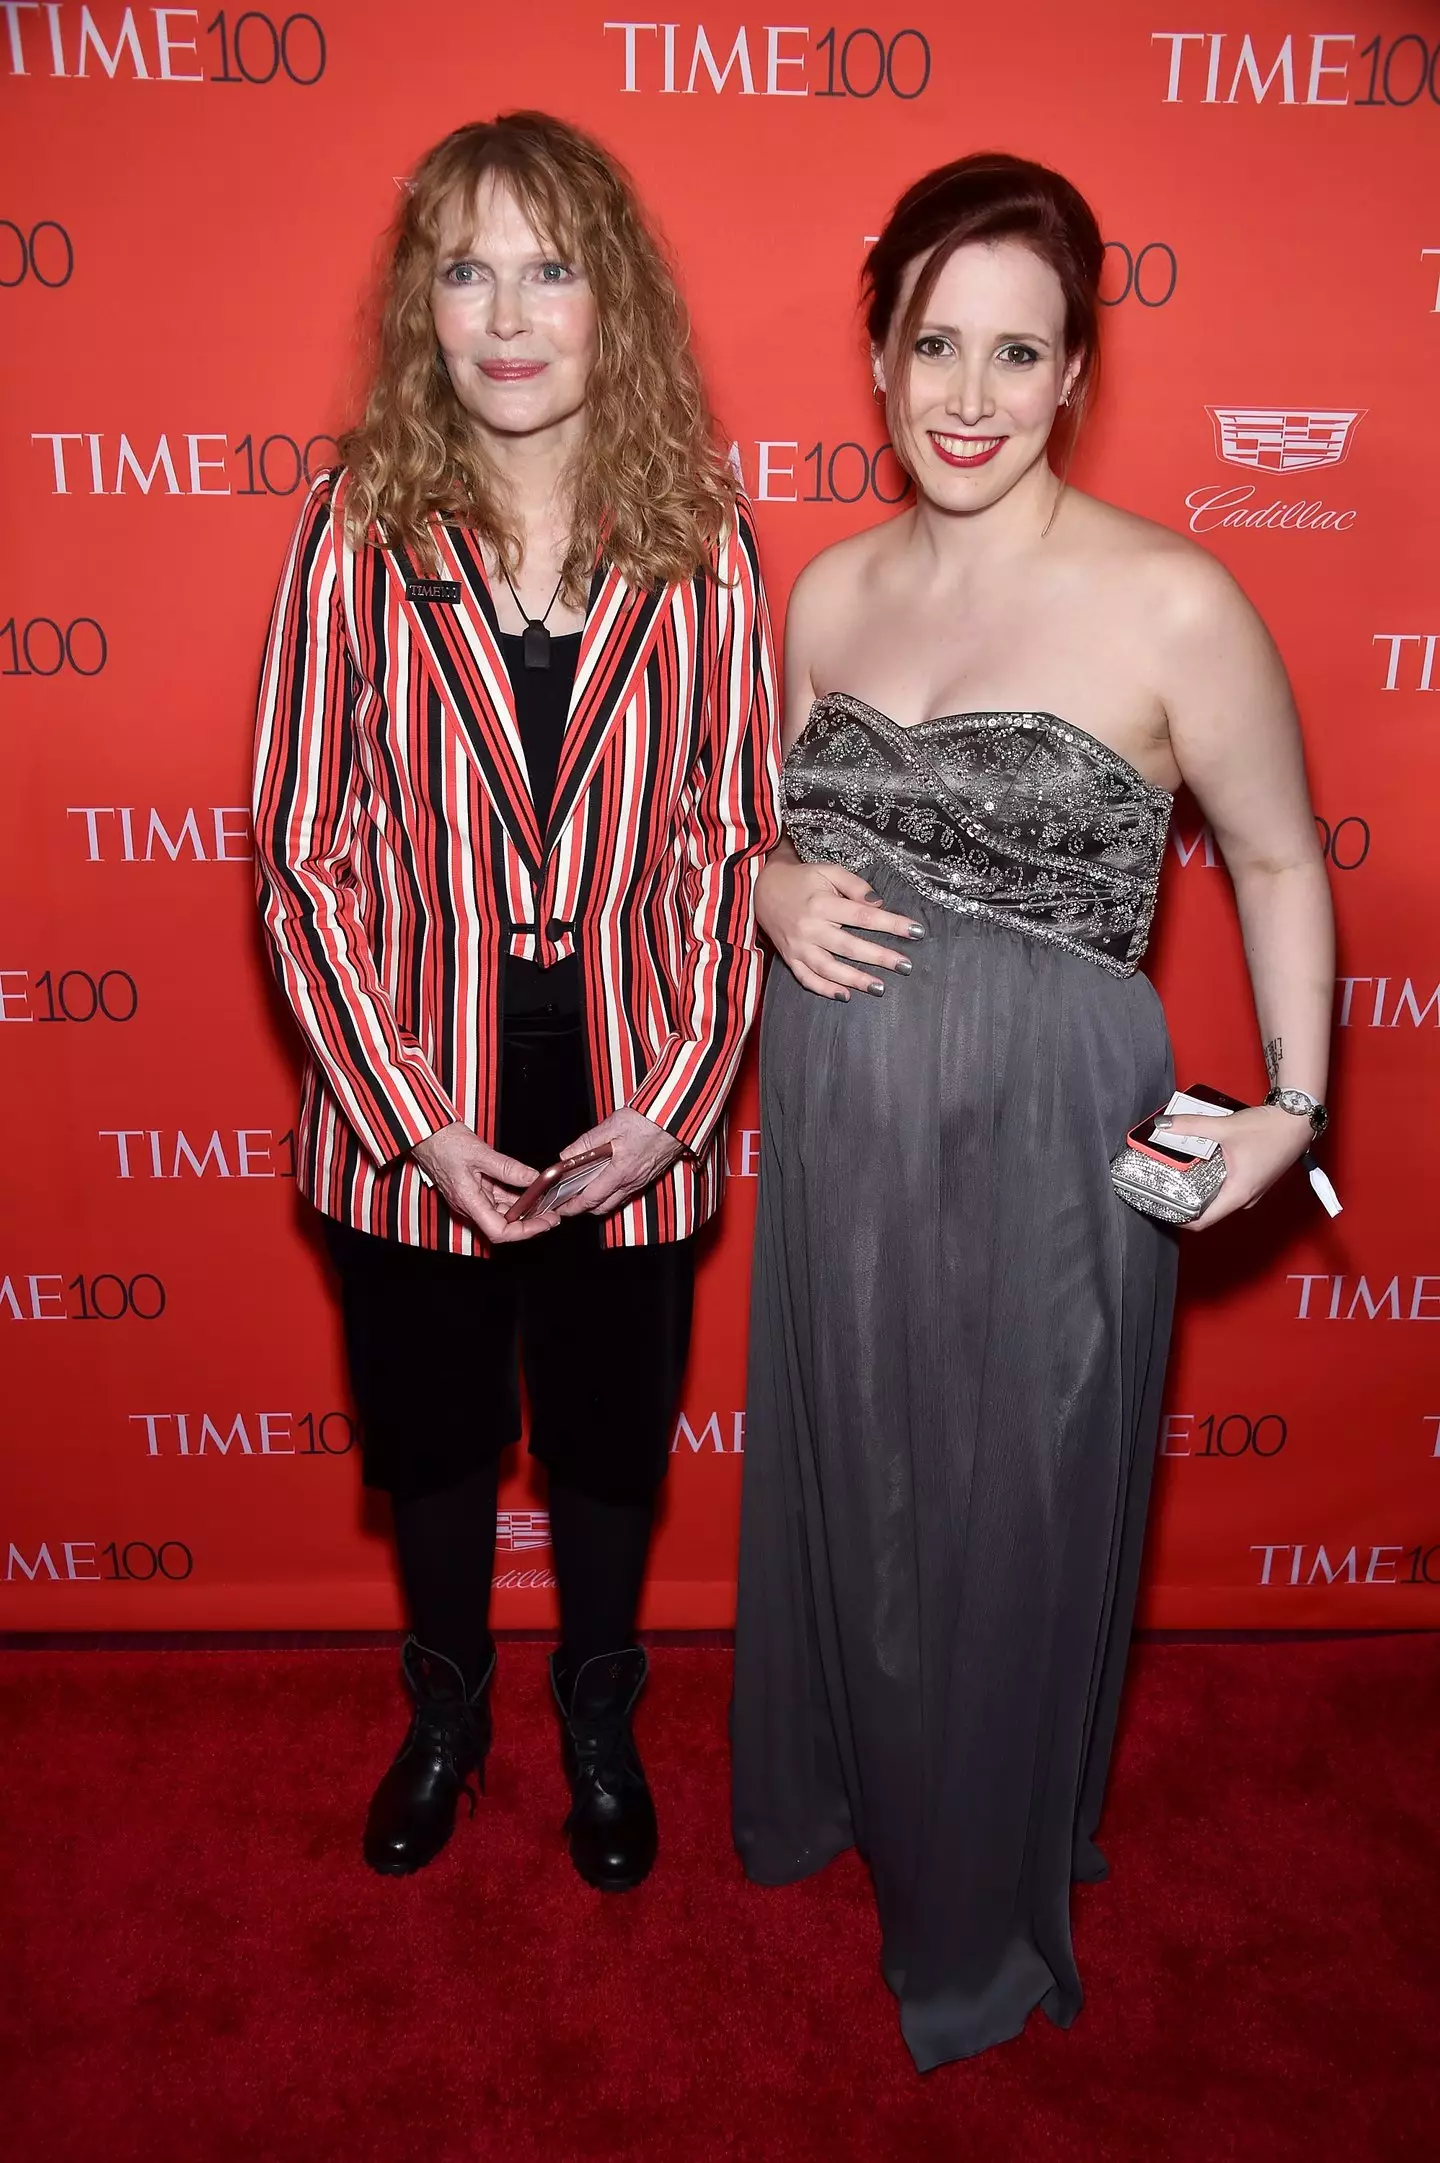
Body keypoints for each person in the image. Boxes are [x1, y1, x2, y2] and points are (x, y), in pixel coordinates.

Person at [730, 153, 1334, 2068]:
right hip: (840, 1137)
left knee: (1019, 1504)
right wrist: (758, 885)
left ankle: (978, 1899)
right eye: (934, 347)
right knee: (858, 1473)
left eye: (1018, 351)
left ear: (1076, 370)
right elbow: (758, 823)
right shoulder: (822, 588)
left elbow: (1282, 861)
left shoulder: (1172, 598)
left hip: (1057, 1146)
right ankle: (843, 1783)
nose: (969, 397)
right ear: (880, 358)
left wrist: (1295, 1106)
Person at [254, 113, 779, 1894]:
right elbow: (303, 857)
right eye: (466, 268)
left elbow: (733, 849)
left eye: (549, 266)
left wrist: (685, 1097)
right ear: (425, 304)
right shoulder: (353, 533)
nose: (507, 312)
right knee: (432, 1447)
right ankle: (448, 1715)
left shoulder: (705, 538)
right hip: (417, 1102)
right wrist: (414, 1118)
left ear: (610, 299)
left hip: (638, 1093)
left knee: (614, 1445)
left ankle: (601, 1724)